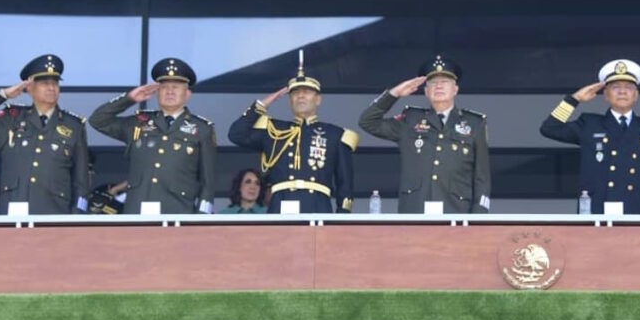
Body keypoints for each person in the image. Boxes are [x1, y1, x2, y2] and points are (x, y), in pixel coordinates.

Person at [359, 55, 491, 214]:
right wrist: (394, 94)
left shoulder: (474, 124)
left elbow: (481, 177)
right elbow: (367, 122)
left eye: (445, 82)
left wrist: (478, 216)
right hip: (414, 212)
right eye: (433, 83)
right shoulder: (410, 120)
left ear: (455, 89)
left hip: (457, 213)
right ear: (426, 91)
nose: (439, 86)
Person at [0, 54, 90, 214]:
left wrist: (77, 218)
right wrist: (3, 94)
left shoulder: (74, 126)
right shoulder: (10, 119)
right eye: (44, 83)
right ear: (29, 88)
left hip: (56, 215)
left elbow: (81, 182)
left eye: (55, 83)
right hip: (14, 215)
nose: (52, 88)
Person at [540, 58, 640, 215]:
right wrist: (574, 99)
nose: (622, 92)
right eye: (615, 87)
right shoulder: (589, 124)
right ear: (605, 95)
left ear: (636, 95)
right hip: (597, 209)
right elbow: (550, 128)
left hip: (639, 210)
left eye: (629, 87)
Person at [228, 56, 357, 213]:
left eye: (307, 92)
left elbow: (345, 185)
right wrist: (263, 104)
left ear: (318, 100)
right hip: (280, 206)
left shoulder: (335, 135)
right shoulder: (273, 130)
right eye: (295, 93)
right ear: (290, 101)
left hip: (318, 207)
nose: (301, 96)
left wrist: (341, 219)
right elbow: (236, 134)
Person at [89, 57, 216, 215]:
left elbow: (207, 181)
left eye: (176, 87)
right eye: (164, 87)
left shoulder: (202, 129)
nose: (169, 91)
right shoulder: (139, 123)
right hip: (137, 211)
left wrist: (202, 216)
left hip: (179, 212)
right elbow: (98, 121)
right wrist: (129, 99)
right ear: (157, 92)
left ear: (187, 94)